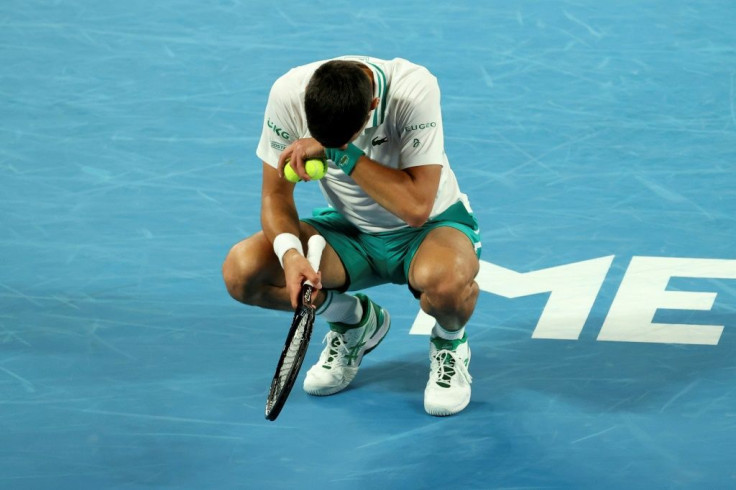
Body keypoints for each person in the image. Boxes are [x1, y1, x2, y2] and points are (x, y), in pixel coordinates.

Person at [222, 56, 481, 416]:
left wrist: (338, 153)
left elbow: (417, 207)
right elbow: (274, 196)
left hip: (429, 231)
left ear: (373, 106)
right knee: (243, 271)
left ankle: (450, 343)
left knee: (445, 281)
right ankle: (353, 321)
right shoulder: (288, 92)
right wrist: (291, 255)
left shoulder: (412, 88)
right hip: (351, 234)